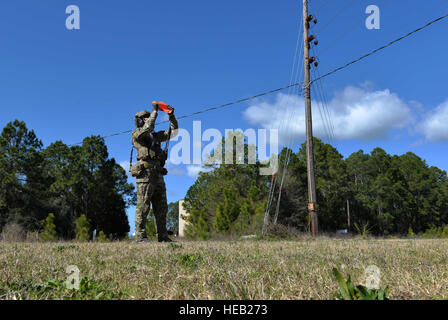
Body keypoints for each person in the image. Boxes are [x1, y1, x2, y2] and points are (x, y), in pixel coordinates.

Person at [131, 101, 178, 242]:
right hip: (144, 175)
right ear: (139, 121)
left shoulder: (156, 136)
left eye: (148, 116)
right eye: (145, 117)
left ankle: (163, 236)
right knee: (143, 206)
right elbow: (147, 127)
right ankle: (140, 236)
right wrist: (155, 112)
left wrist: (171, 116)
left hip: (157, 174)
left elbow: (173, 132)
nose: (148, 118)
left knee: (161, 207)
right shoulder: (138, 134)